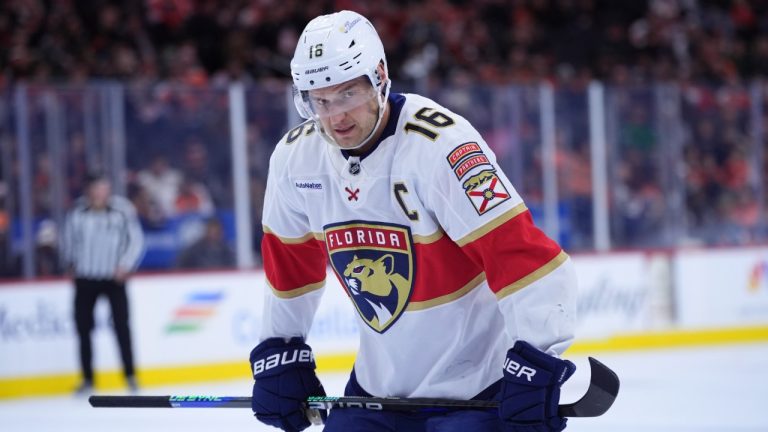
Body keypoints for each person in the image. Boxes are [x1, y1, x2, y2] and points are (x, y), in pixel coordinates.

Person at [250, 10, 578, 432]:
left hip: (476, 391)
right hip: (376, 393)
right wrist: (280, 351)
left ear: (379, 76)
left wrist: (538, 360)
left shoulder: (441, 146)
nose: (336, 117)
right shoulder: (296, 159)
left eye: (348, 94)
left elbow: (525, 259)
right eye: (321, 101)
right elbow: (288, 271)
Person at [62, 173, 145, 394]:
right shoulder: (77, 212)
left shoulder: (122, 210)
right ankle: (88, 378)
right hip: (85, 278)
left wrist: (125, 265)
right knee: (83, 328)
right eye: (96, 187)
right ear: (88, 189)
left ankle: (130, 375)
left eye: (104, 187)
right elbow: (69, 240)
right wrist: (70, 263)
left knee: (121, 327)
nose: (100, 192)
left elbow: (135, 240)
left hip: (113, 278)